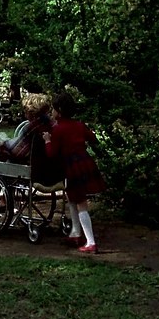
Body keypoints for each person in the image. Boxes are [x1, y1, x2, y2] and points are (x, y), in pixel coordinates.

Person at [42, 92, 106, 254]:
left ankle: (90, 241)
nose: (52, 112)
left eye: (53, 109)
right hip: (85, 163)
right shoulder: (79, 125)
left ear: (59, 111)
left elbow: (52, 154)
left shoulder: (59, 130)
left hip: (72, 167)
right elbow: (93, 139)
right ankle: (75, 233)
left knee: (81, 202)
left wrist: (48, 140)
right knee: (72, 198)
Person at [0, 93, 53, 164]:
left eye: (25, 111)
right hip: (45, 161)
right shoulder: (50, 123)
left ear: (32, 112)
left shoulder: (32, 127)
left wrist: (3, 145)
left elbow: (17, 150)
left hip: (29, 162)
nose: (25, 115)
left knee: (2, 148)